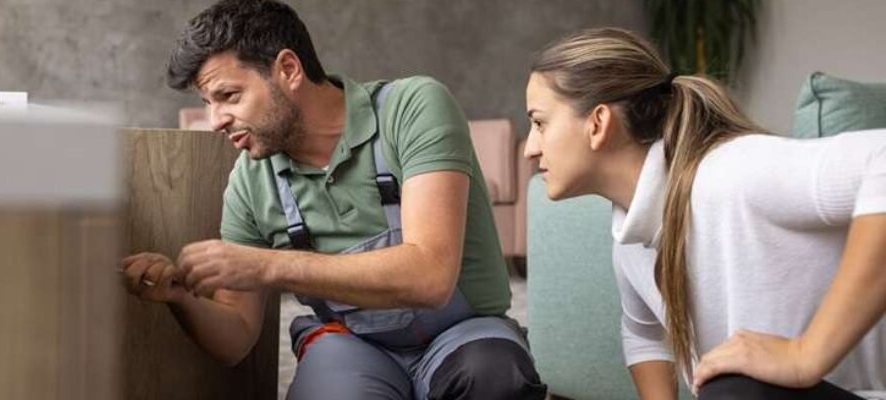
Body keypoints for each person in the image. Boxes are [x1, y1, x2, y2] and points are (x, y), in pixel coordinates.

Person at [120, 1, 546, 399]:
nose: (215, 121)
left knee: (494, 376)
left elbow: (431, 276)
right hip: (353, 348)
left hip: (463, 334)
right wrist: (182, 298)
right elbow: (236, 338)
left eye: (229, 96)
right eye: (207, 103)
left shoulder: (412, 108)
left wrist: (268, 265)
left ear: (288, 68)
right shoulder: (250, 183)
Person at [523, 28, 885, 399]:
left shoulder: (733, 171)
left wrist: (805, 355)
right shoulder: (632, 240)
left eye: (539, 122)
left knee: (730, 389)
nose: (530, 149)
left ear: (597, 124)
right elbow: (643, 333)